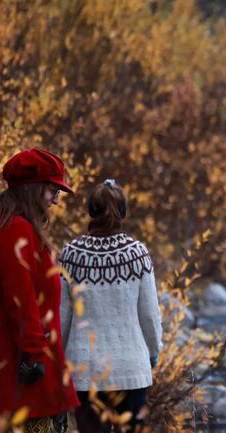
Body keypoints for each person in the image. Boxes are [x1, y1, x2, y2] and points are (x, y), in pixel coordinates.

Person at [0, 148, 80, 433]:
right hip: (19, 367)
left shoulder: (10, 226)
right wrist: (36, 356)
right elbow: (20, 300)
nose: (56, 200)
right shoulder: (14, 230)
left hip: (16, 361)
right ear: (33, 189)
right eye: (52, 190)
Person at [59, 179, 162, 433]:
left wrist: (58, 359)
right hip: (131, 369)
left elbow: (62, 317)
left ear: (91, 211)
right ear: (123, 212)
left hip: (85, 371)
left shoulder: (70, 255)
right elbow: (149, 315)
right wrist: (153, 350)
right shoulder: (137, 254)